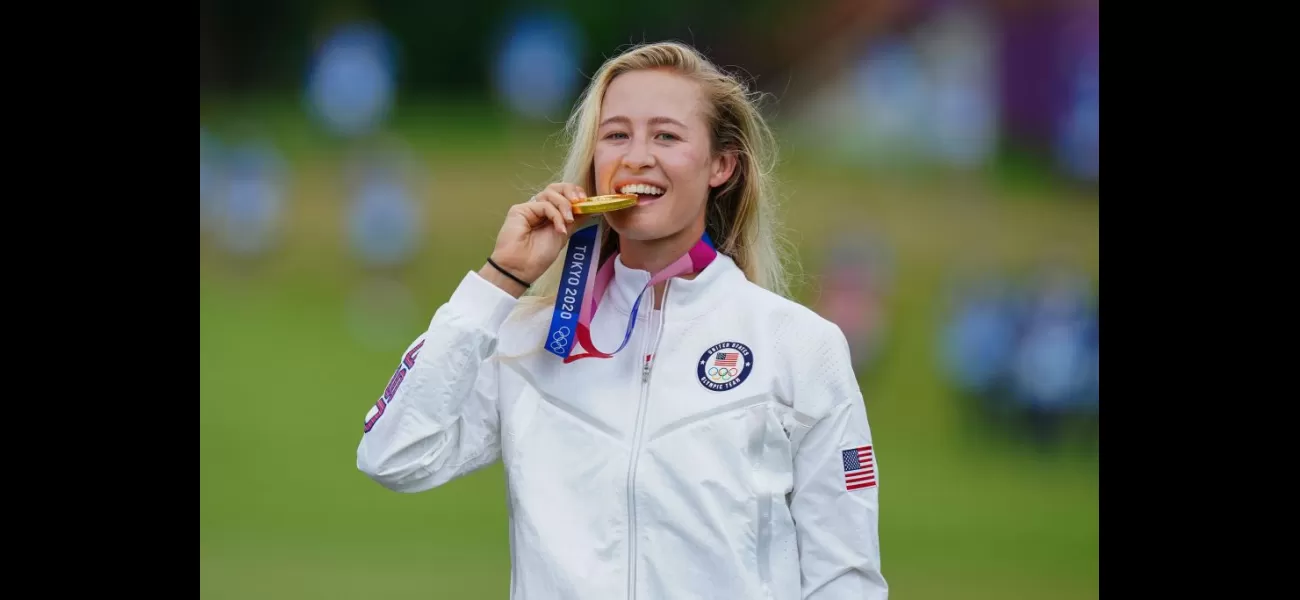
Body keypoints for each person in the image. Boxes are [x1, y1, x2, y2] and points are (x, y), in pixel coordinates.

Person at [356, 41, 887, 600]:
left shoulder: (798, 344)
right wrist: (500, 280)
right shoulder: (527, 338)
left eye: (666, 136)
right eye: (616, 135)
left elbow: (844, 576)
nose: (637, 156)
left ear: (721, 166)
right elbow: (394, 454)